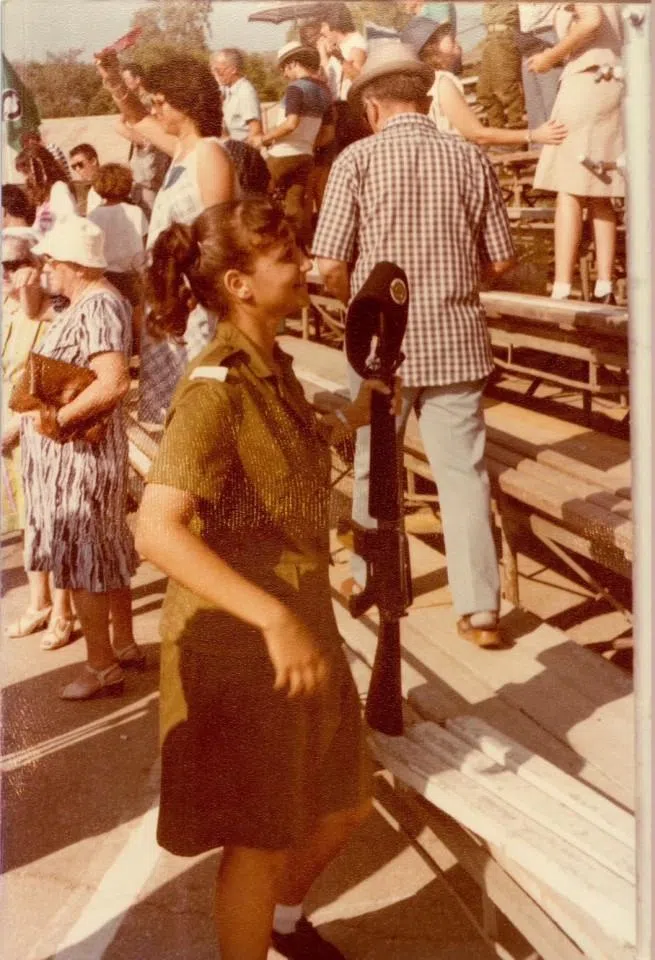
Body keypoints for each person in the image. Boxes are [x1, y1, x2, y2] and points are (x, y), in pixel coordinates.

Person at [136, 196, 383, 960]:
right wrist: (273, 620)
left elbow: (300, 447)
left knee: (345, 802)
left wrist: (363, 409)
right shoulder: (216, 388)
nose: (304, 267)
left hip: (301, 623)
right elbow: (155, 530)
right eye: (287, 259)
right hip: (246, 646)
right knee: (259, 839)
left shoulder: (270, 366)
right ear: (239, 283)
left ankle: (280, 925)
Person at [313, 42, 516, 648]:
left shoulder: (357, 160)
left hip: (380, 347)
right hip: (457, 340)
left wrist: (363, 300)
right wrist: (451, 284)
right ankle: (480, 610)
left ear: (372, 107)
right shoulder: (468, 157)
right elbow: (502, 260)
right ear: (427, 99)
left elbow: (326, 265)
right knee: (464, 476)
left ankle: (366, 577)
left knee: (373, 466)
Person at [21, 217, 141, 698]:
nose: (46, 267)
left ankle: (101, 664)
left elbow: (113, 382)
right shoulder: (87, 303)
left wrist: (60, 420)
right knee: (105, 546)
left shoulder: (99, 306)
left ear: (74, 263)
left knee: (89, 552)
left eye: (52, 260)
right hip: (76, 453)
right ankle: (124, 645)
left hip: (81, 455)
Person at [95, 52, 238, 423]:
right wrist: (112, 79)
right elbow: (137, 117)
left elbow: (220, 241)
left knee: (199, 417)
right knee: (175, 419)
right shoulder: (182, 152)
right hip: (173, 305)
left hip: (198, 310)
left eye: (161, 102)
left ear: (186, 103)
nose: (154, 109)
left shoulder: (209, 152)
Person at [2, 233, 76, 651]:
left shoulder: (51, 315)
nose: (8, 275)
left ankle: (64, 612)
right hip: (13, 431)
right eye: (2, 267)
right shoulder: (10, 314)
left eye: (15, 265)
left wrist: (14, 426)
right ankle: (39, 603)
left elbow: (50, 384)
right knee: (32, 520)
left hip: (38, 426)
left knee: (55, 522)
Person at [528, 3, 624, 304]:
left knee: (568, 189)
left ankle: (562, 286)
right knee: (600, 189)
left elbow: (591, 21)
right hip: (612, 80)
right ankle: (605, 285)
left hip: (586, 80)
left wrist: (550, 57)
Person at [402, 15, 567, 147]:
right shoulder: (442, 82)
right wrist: (534, 135)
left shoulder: (420, 83)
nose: (449, 34)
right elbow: (477, 134)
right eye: (439, 35)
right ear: (431, 47)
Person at [250, 42, 332, 248]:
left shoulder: (296, 88)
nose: (284, 75)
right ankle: (301, 249)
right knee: (295, 208)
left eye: (284, 69)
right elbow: (328, 134)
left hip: (282, 154)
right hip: (306, 156)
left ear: (293, 63)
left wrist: (264, 139)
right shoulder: (325, 93)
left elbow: (291, 123)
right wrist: (307, 143)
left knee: (256, 198)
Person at [87, 163, 148, 351]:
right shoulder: (135, 212)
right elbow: (144, 244)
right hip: (131, 274)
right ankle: (141, 352)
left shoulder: (93, 215)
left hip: (105, 276)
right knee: (137, 317)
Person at [116, 63, 171, 215]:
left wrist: (134, 136)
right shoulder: (136, 101)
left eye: (127, 79)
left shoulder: (148, 101)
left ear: (138, 79)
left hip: (150, 164)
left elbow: (149, 135)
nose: (125, 83)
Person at [319, 2, 368, 151]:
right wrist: (323, 54)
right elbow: (326, 78)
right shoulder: (336, 46)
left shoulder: (356, 44)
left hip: (349, 109)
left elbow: (358, 79)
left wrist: (339, 58)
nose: (321, 31)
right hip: (336, 107)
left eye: (323, 26)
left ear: (334, 25)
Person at [477, 2, 526, 131]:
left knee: (507, 88)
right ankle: (497, 131)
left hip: (504, 35)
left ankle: (518, 131)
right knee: (485, 92)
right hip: (490, 36)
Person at [517, 3, 563, 140]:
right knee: (534, 106)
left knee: (552, 102)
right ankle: (540, 153)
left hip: (549, 32)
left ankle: (559, 152)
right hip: (526, 38)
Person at [15, 143, 76, 235]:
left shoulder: (59, 190)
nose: (26, 178)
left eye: (26, 172)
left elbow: (68, 225)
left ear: (39, 169)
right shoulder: (44, 198)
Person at [210, 48, 262, 142]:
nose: (216, 75)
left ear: (233, 70)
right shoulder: (227, 90)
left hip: (241, 151)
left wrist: (241, 153)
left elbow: (255, 131)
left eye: (218, 71)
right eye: (214, 71)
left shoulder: (245, 92)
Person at [69, 143, 102, 214]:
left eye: (80, 164)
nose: (77, 169)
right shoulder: (89, 189)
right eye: (74, 167)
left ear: (93, 161)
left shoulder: (109, 182)